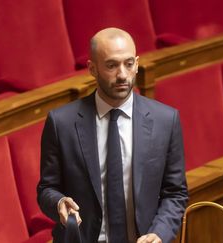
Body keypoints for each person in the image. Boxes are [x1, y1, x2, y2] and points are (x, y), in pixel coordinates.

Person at [37, 27, 188, 243]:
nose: (122, 75)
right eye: (111, 65)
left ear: (137, 64)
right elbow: (47, 189)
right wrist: (59, 203)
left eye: (128, 64)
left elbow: (175, 193)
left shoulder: (166, 120)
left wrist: (159, 233)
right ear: (92, 68)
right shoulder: (61, 123)